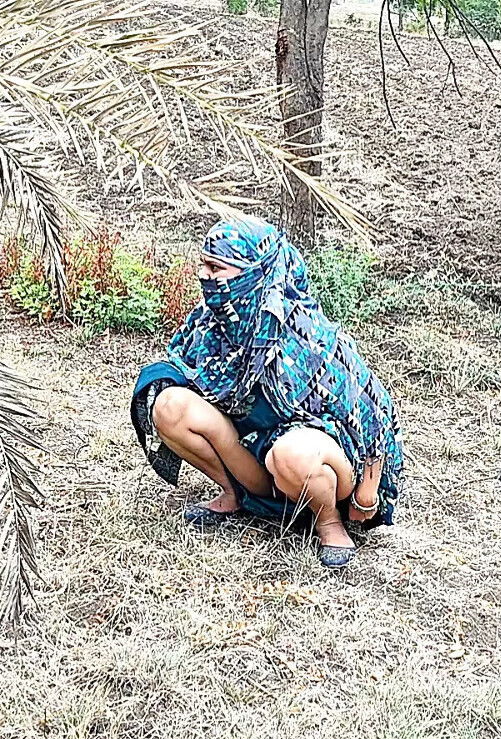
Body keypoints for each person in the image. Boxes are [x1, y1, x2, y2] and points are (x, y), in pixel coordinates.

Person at [130, 215, 403, 569]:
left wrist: (368, 495)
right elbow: (182, 369)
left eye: (217, 268)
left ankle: (329, 523)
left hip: (312, 460)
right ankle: (234, 495)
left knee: (290, 454)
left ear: (251, 273)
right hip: (251, 454)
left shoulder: (306, 334)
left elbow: (372, 414)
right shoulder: (211, 324)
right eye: (203, 266)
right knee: (167, 404)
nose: (205, 278)